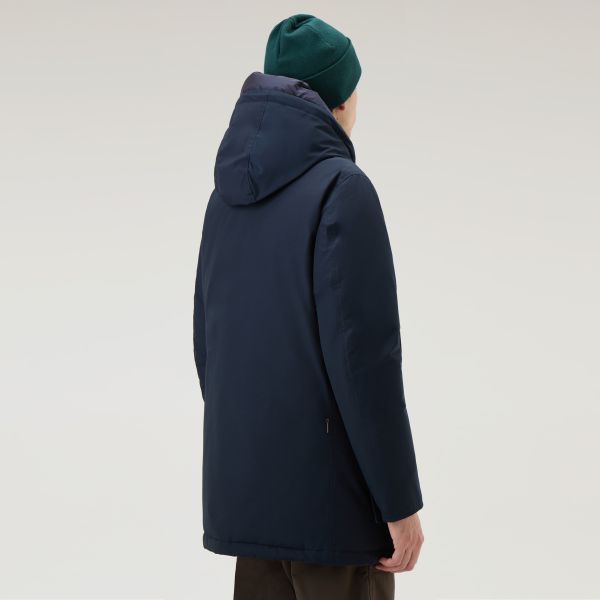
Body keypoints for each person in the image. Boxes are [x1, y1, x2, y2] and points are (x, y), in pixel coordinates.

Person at [193, 14, 424, 600]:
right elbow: (365, 362)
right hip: (334, 515)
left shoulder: (225, 200)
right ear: (339, 99)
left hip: (250, 506)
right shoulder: (343, 189)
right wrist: (399, 504)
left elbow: (209, 350)